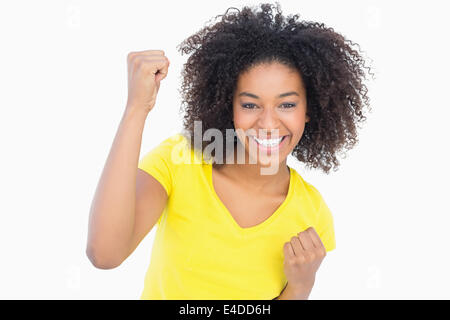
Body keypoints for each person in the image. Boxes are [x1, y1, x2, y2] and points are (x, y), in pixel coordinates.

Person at [86, 2, 372, 300]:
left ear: (309, 110)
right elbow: (105, 254)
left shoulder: (313, 213)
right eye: (250, 104)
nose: (268, 122)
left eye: (287, 104)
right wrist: (137, 109)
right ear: (229, 108)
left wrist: (301, 287)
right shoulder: (180, 160)